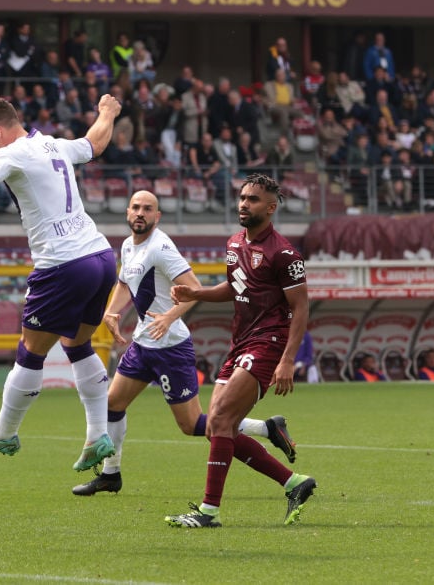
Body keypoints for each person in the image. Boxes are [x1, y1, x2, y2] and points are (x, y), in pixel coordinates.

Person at [72, 191, 298, 496]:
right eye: (136, 208)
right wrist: (113, 310)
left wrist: (168, 317)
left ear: (157, 216)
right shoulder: (128, 245)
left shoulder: (162, 247)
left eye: (147, 209)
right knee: (112, 404)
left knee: (193, 425)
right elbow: (125, 281)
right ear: (127, 212)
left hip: (170, 348)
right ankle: (111, 475)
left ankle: (265, 429)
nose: (140, 213)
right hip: (142, 344)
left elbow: (194, 289)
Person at [0, 95, 121, 473]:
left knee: (30, 350)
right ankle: (97, 435)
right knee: (78, 343)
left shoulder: (14, 152)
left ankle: (5, 431)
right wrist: (107, 112)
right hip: (101, 258)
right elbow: (95, 143)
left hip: (63, 264)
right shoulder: (53, 143)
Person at [163, 174, 315, 528]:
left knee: (220, 421)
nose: (244, 204)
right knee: (216, 428)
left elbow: (301, 307)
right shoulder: (234, 243)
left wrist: (288, 359)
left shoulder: (285, 254)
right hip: (241, 341)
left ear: (271, 207)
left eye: (253, 199)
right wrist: (196, 294)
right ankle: (294, 482)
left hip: (269, 342)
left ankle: (208, 512)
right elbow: (235, 287)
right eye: (243, 198)